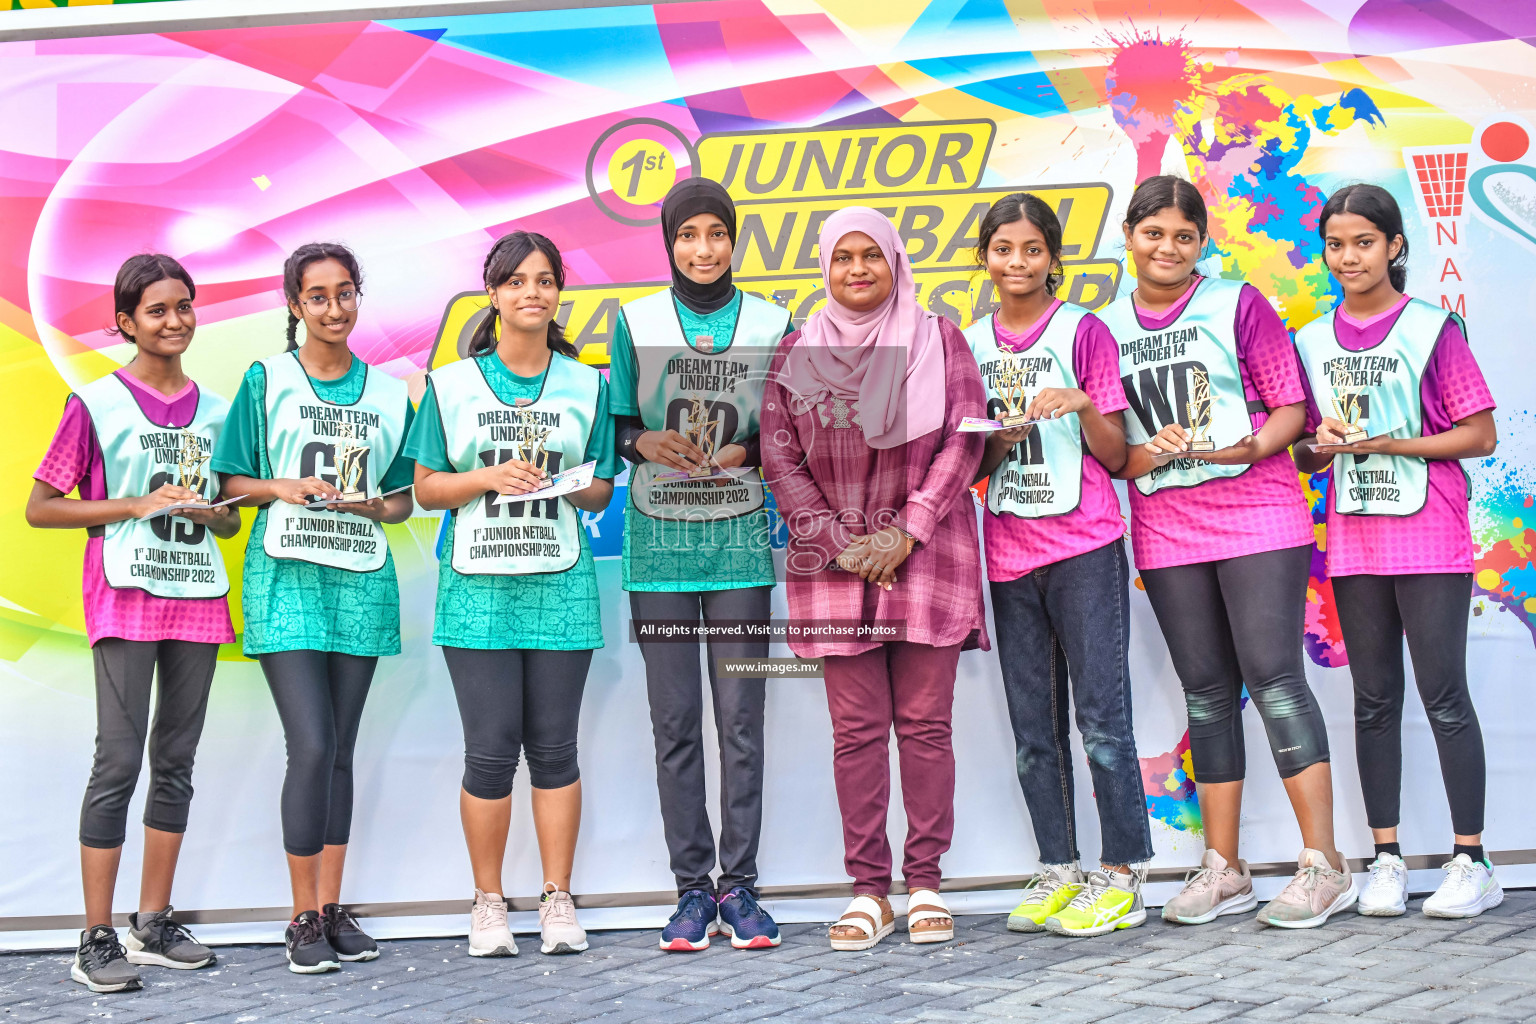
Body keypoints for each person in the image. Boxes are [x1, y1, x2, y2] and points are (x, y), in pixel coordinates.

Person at [1105, 175, 1354, 929]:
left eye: (1185, 235)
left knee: (1274, 680)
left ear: (1202, 243)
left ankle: (1324, 864)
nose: (1168, 248)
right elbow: (1112, 445)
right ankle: (1225, 868)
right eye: (1154, 233)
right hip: (1167, 525)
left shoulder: (1236, 303)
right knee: (1206, 691)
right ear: (1129, 237)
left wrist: (1246, 448)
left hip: (1257, 514)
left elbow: (1291, 408)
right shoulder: (1103, 325)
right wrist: (1141, 450)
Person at [761, 206, 988, 951]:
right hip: (834, 568)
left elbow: (966, 438)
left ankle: (924, 881)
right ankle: (869, 890)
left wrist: (908, 530)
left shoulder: (938, 338)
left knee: (925, 727)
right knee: (856, 733)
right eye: (842, 259)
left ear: (896, 261)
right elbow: (780, 459)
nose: (857, 270)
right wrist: (840, 541)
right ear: (823, 269)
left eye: (872, 256)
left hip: (927, 558)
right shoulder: (795, 352)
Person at [28, 254, 237, 992]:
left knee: (175, 763)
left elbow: (230, 521)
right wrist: (132, 504)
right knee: (117, 762)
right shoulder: (95, 404)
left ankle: (153, 922)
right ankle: (95, 935)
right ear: (125, 323)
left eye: (184, 306)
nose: (174, 320)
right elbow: (42, 506)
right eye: (157, 310)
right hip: (123, 599)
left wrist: (214, 513)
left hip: (198, 599)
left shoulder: (218, 411)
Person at [407, 230, 618, 959]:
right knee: (490, 753)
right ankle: (489, 902)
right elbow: (428, 488)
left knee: (556, 749)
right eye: (517, 280)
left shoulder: (587, 382)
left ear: (560, 292)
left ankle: (557, 898)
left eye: (546, 280)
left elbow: (598, 488)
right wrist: (488, 479)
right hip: (477, 586)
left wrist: (565, 480)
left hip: (560, 580)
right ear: (492, 295)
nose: (533, 292)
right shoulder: (452, 384)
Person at [1293, 183, 1500, 919]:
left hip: (1431, 533)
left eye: (1364, 242)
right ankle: (1385, 860)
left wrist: (1393, 444)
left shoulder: (1430, 329)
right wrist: (1319, 448)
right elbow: (1308, 453)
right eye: (1336, 243)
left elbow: (1480, 435)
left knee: (1445, 696)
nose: (1348, 256)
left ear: (1396, 246)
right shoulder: (1311, 340)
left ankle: (1471, 860)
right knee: (1374, 701)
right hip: (1354, 539)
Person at [213, 243, 415, 973]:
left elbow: (400, 500)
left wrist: (374, 504)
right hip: (287, 575)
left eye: (346, 292)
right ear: (295, 306)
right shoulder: (268, 380)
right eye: (319, 296)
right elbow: (231, 479)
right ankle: (300, 918)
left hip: (359, 577)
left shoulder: (391, 394)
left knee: (342, 751)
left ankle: (331, 908)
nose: (335, 308)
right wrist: (281, 488)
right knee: (314, 745)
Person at [609, 178, 791, 951]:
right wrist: (643, 443)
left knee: (742, 721)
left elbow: (784, 430)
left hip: (740, 543)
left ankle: (740, 885)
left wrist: (745, 449)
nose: (704, 248)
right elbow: (617, 424)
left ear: (733, 238)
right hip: (659, 549)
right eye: (689, 235)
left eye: (717, 232)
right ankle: (692, 891)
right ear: (669, 241)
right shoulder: (635, 320)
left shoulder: (773, 321)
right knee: (676, 723)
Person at [965, 194, 1154, 936]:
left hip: (1085, 547)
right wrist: (999, 441)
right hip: (1010, 554)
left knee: (1103, 720)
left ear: (1053, 256)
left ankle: (1123, 873)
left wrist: (1080, 404)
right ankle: (1059, 866)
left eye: (1032, 249)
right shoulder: (970, 342)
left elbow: (1116, 458)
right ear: (985, 257)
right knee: (1032, 728)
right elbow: (968, 460)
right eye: (1003, 249)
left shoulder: (1085, 331)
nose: (1017, 262)